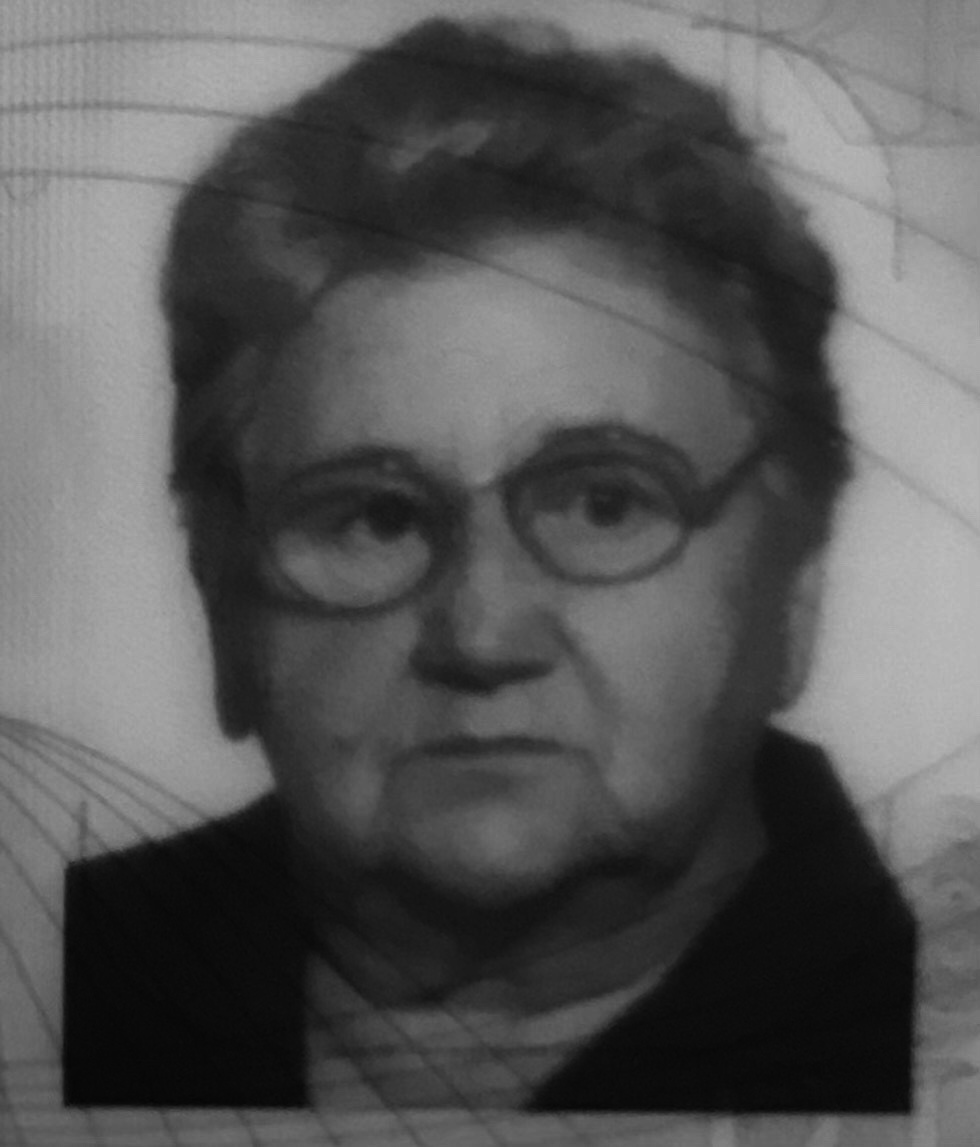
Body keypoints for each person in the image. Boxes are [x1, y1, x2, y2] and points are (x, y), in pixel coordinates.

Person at [62, 15, 916, 1112]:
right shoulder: (50, 962)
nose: (480, 632)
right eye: (374, 517)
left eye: (605, 502)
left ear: (795, 585)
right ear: (223, 600)